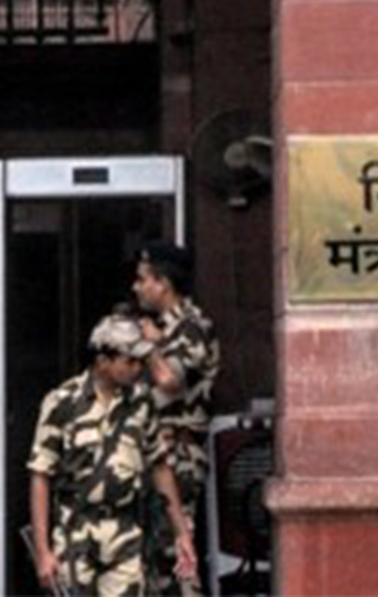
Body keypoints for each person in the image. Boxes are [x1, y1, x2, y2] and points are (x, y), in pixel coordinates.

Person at [27, 313, 197, 596]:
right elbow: (40, 474)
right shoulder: (62, 402)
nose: (137, 368)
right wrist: (43, 551)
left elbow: (159, 466)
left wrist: (182, 533)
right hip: (75, 531)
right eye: (130, 361)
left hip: (125, 531)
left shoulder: (140, 402)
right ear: (103, 361)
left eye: (140, 361)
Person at [132, 241, 220, 595]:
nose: (136, 287)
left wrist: (151, 347)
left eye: (142, 279)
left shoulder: (192, 327)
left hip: (179, 457)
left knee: (178, 553)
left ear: (163, 283)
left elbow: (169, 380)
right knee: (153, 556)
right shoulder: (163, 329)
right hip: (155, 454)